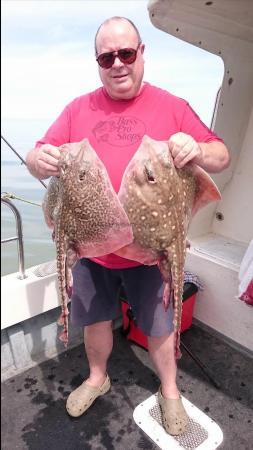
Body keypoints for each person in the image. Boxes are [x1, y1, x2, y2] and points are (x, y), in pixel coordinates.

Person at [26, 16, 230, 436]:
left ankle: (170, 391)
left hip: (149, 250)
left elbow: (221, 155)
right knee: (95, 321)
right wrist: (36, 161)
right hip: (92, 249)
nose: (117, 63)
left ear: (142, 54)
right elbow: (38, 155)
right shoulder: (76, 108)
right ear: (97, 62)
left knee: (159, 326)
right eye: (106, 56)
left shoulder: (171, 106)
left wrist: (197, 149)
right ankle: (98, 379)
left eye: (126, 53)